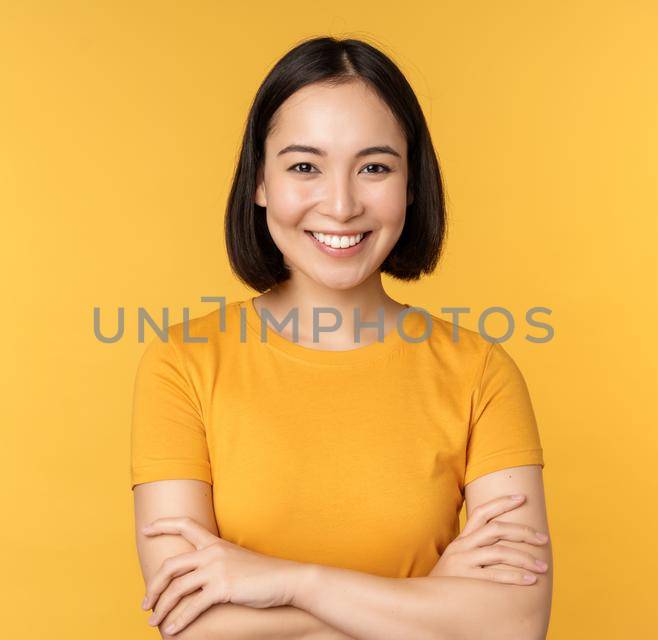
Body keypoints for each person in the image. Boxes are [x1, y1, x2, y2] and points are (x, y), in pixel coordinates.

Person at [130, 36, 552, 639]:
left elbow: (513, 626)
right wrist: (432, 601)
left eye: (375, 167)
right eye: (305, 166)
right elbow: (193, 624)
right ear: (259, 183)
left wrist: (292, 583)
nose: (341, 203)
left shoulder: (480, 371)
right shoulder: (183, 363)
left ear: (411, 184)